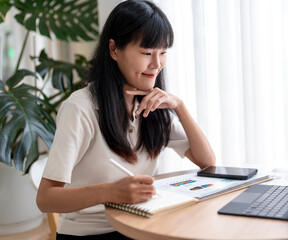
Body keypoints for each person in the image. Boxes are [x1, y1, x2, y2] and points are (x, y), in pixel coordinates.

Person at [36, 0, 216, 239]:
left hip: (141, 227)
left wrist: (179, 106)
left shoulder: (154, 105)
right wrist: (111, 192)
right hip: (91, 232)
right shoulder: (80, 109)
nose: (157, 64)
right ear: (114, 49)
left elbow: (207, 162)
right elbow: (46, 198)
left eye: (163, 53)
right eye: (146, 53)